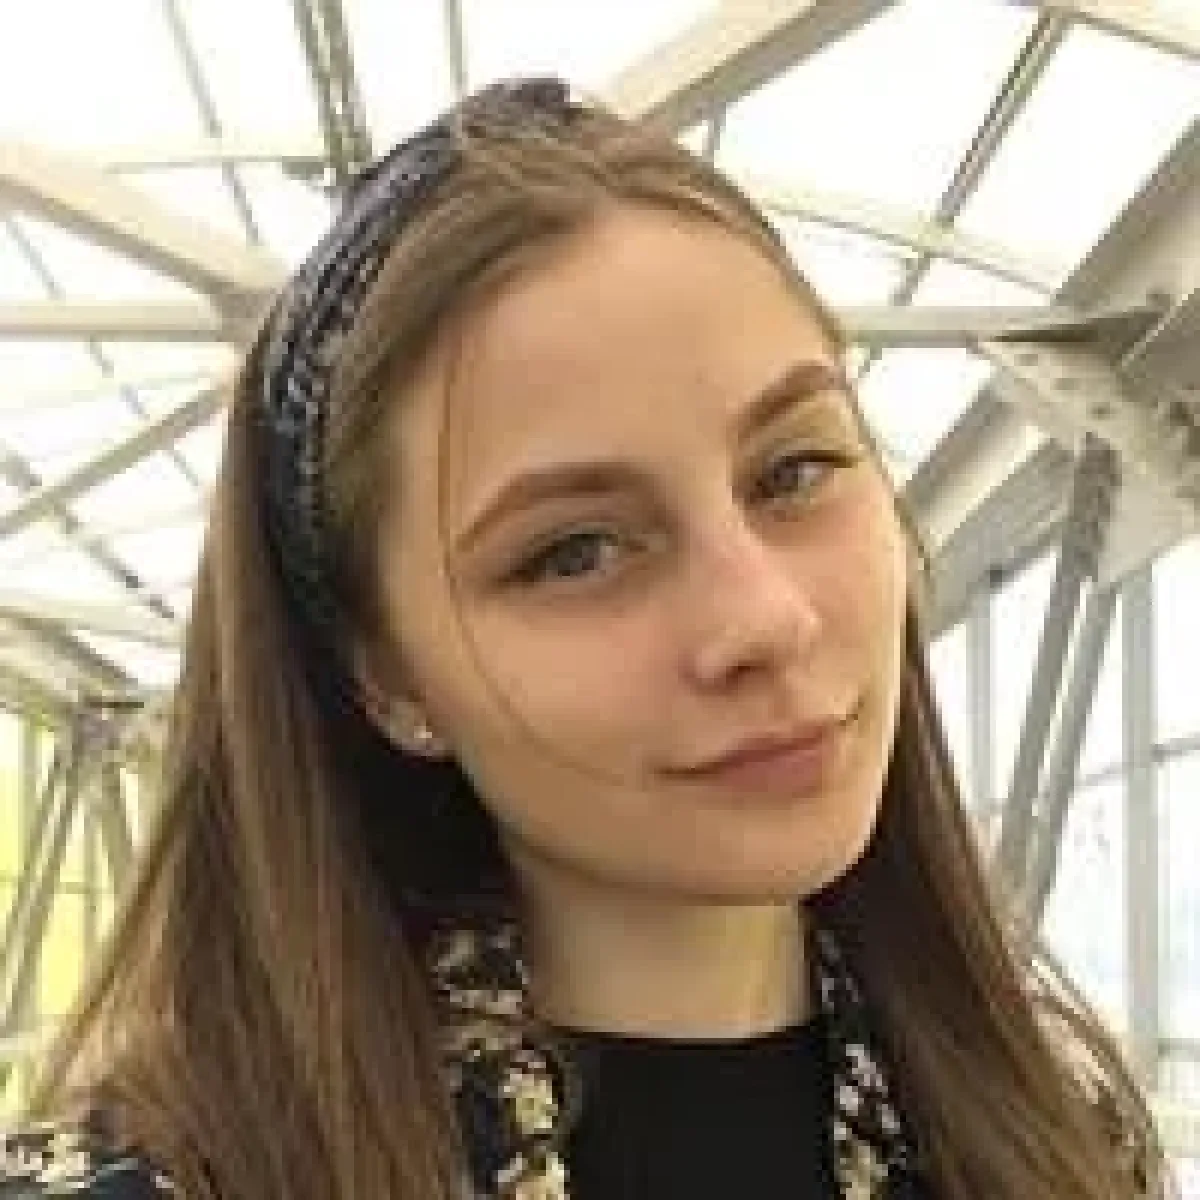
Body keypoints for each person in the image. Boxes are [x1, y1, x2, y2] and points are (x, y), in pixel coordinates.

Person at [0, 78, 1166, 1200]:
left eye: (796, 469)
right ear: (387, 674)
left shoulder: (1067, 1136)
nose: (767, 618)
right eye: (575, 553)